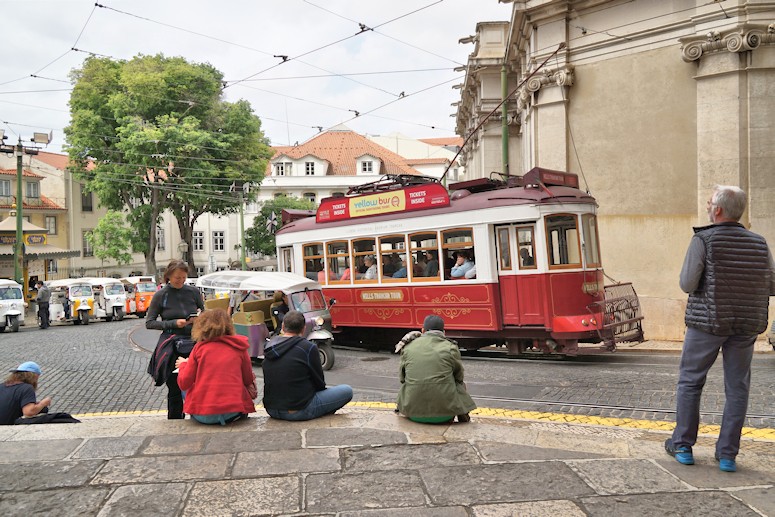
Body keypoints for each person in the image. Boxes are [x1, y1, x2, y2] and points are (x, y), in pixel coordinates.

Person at [665, 185, 775, 473]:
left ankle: (683, 445)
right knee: (737, 387)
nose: (707, 205)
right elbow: (772, 285)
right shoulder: (760, 243)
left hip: (708, 323)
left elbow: (687, 284)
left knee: (690, 380)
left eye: (709, 202)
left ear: (717, 210)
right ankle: (727, 455)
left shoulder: (704, 240)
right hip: (746, 325)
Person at [262, 310, 352, 421]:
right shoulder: (308, 347)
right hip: (299, 410)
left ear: (283, 326)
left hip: (272, 410)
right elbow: (319, 382)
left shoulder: (270, 346)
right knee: (347, 391)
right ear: (304, 328)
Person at [175, 309, 257, 425]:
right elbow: (248, 379)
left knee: (187, 382)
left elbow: (184, 383)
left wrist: (184, 365)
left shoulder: (199, 348)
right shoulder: (239, 347)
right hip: (233, 412)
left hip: (203, 415)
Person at [146, 260, 205, 419]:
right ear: (168, 277)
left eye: (183, 278)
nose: (180, 281)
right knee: (174, 386)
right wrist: (174, 323)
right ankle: (175, 419)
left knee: (198, 382)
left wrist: (199, 320)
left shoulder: (193, 292)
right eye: (177, 278)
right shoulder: (160, 295)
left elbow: (204, 313)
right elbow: (149, 323)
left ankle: (200, 415)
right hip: (172, 344)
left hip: (194, 341)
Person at [396, 315, 476, 424]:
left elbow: (402, 378)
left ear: (423, 330)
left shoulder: (408, 347)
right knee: (460, 384)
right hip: (445, 416)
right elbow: (459, 377)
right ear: (443, 332)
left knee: (407, 384)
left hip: (413, 414)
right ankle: (463, 416)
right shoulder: (450, 347)